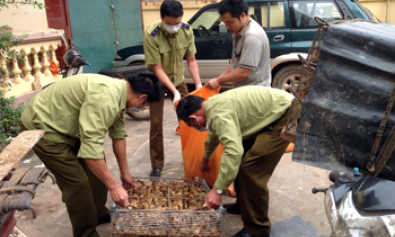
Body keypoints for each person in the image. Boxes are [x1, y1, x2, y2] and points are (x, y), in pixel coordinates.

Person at [19, 72, 163, 237]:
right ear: (142, 98)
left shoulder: (121, 93)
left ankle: (98, 214)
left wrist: (125, 173)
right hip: (45, 128)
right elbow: (90, 152)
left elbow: (118, 135)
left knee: (99, 171)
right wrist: (114, 187)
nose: (143, 108)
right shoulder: (105, 99)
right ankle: (86, 233)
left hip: (68, 125)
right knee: (78, 184)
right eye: (146, 105)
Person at [176, 86, 293, 237]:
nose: (194, 127)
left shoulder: (219, 115)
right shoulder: (212, 106)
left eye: (190, 125)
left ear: (193, 118)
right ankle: (244, 205)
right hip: (273, 111)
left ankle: (257, 229)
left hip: (284, 115)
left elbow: (233, 152)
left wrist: (217, 190)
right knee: (241, 160)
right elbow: (213, 136)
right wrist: (205, 158)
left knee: (251, 169)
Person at [143, 0, 202, 177]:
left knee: (190, 120)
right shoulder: (151, 34)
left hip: (179, 80)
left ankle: (194, 158)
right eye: (170, 24)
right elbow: (157, 68)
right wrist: (173, 91)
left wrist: (198, 85)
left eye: (177, 23)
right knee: (156, 124)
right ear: (161, 19)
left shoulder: (186, 30)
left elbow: (191, 60)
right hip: (156, 82)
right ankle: (157, 165)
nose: (174, 27)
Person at [205, 0, 271, 90]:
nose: (227, 27)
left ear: (242, 16)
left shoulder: (252, 36)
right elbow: (235, 63)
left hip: (255, 92)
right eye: (224, 23)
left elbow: (244, 72)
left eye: (229, 22)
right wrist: (218, 79)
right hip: (243, 90)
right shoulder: (239, 31)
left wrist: (219, 81)